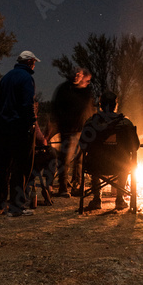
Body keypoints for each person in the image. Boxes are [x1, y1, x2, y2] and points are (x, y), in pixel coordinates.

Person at [0, 50, 39, 218]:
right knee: (21, 167)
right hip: (20, 129)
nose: (34, 65)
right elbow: (27, 104)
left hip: (3, 129)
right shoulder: (26, 79)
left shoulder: (6, 77)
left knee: (3, 167)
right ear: (29, 62)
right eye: (33, 62)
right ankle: (17, 206)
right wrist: (31, 122)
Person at [80, 90, 139, 211]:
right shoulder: (126, 124)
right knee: (125, 161)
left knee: (93, 159)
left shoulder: (91, 123)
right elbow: (135, 147)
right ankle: (119, 199)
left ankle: (96, 199)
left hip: (95, 165)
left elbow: (82, 145)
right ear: (115, 105)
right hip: (120, 166)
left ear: (100, 105)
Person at [50, 67, 95, 196]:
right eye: (74, 74)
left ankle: (77, 186)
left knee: (80, 161)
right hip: (69, 130)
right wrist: (61, 124)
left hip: (83, 131)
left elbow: (89, 108)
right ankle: (63, 187)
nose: (77, 76)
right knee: (65, 159)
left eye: (79, 74)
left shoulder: (85, 91)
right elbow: (56, 109)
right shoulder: (64, 89)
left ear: (82, 76)